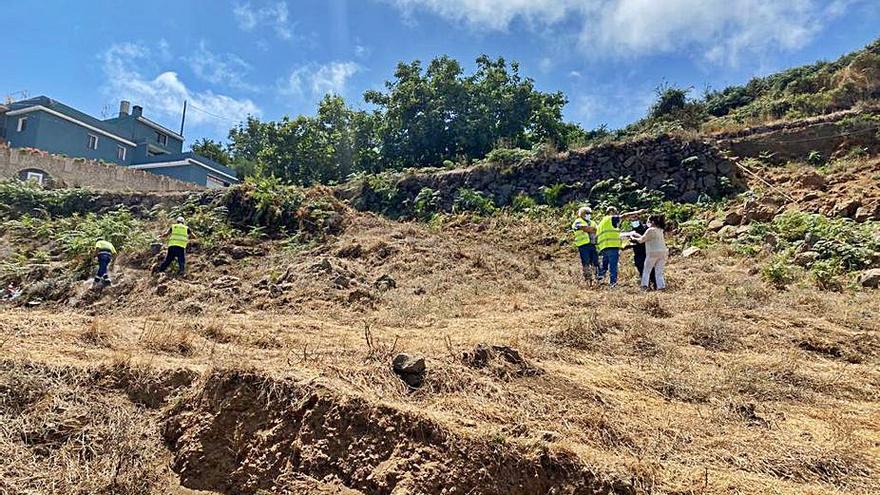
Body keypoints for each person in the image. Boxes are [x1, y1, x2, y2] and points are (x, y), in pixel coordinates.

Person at [596, 206, 644, 287]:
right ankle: (613, 284)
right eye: (615, 212)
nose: (616, 215)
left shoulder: (601, 222)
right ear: (611, 212)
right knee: (613, 266)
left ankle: (598, 279)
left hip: (604, 247)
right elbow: (624, 216)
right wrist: (637, 212)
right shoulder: (611, 218)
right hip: (612, 247)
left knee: (604, 265)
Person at [630, 215, 669, 290]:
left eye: (648, 221)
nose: (647, 223)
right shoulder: (660, 229)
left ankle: (644, 286)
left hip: (653, 252)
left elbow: (641, 240)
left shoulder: (650, 230)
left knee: (646, 271)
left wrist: (633, 238)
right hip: (663, 252)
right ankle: (661, 287)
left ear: (652, 222)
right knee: (659, 272)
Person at [626, 217, 657, 289]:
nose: (634, 222)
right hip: (641, 254)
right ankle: (649, 285)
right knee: (645, 270)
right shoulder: (634, 231)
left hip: (645, 253)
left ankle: (651, 285)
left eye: (635, 219)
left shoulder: (645, 229)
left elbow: (643, 239)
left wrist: (634, 239)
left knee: (648, 270)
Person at [572, 206, 599, 285]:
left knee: (595, 262)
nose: (589, 215)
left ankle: (597, 279)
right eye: (587, 213)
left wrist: (592, 229)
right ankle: (588, 280)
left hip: (592, 244)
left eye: (590, 213)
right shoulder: (578, 221)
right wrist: (592, 229)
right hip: (583, 245)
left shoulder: (592, 222)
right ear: (583, 213)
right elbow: (584, 228)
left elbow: (597, 230)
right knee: (586, 262)